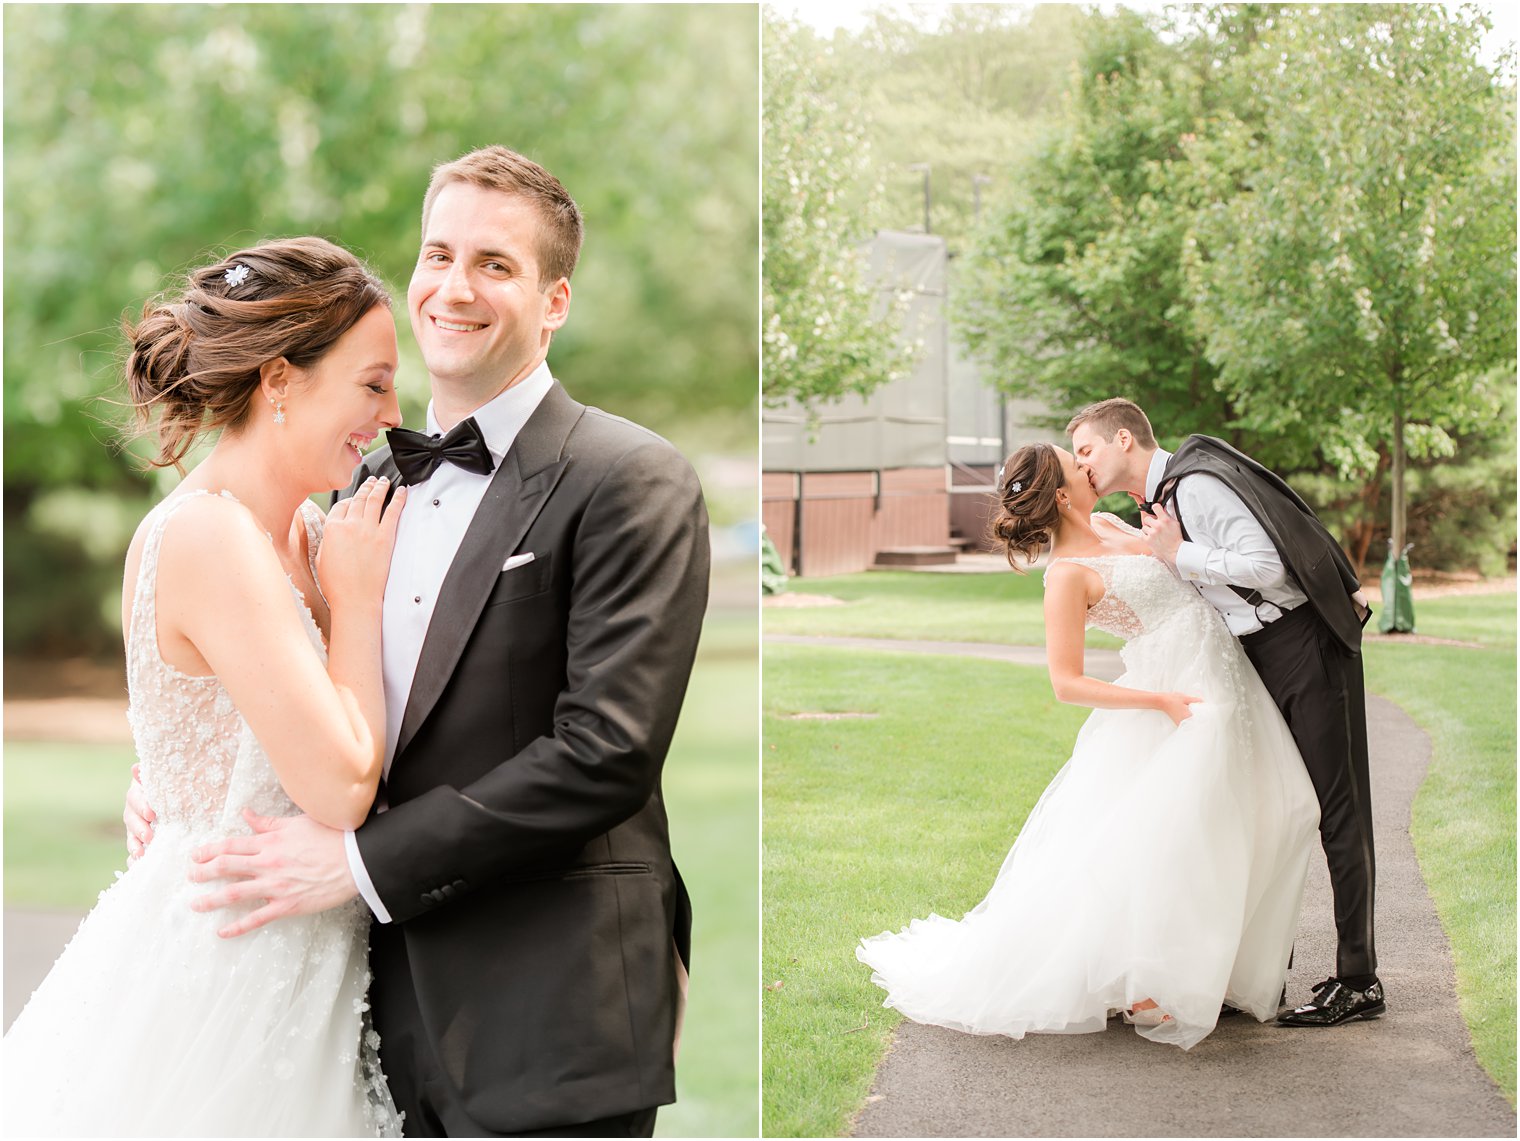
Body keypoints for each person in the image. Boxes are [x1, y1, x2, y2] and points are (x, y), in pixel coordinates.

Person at [128, 147, 709, 1137]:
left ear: (554, 299)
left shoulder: (629, 479)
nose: (455, 287)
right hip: (354, 1016)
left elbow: (604, 753)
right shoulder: (353, 496)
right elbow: (270, 683)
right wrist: (185, 787)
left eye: (495, 263)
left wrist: (356, 864)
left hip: (544, 1012)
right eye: (439, 254)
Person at [3, 237, 408, 1135]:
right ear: (281, 380)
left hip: (311, 979)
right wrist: (360, 599)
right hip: (225, 982)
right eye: (372, 382)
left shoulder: (308, 528)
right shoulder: (208, 536)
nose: (390, 413)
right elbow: (342, 785)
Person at [857, 442, 1321, 1050]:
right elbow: (1066, 683)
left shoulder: (1110, 523)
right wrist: (1161, 703)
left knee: (1274, 814)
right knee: (1179, 842)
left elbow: (1180, 573)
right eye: (1076, 466)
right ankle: (1151, 981)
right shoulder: (1066, 575)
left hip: (1223, 680)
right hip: (1173, 703)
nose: (1089, 468)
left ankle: (1220, 968)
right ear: (1058, 494)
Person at [1067, 397, 1383, 1027]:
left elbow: (1267, 567)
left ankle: (1358, 979)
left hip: (1303, 645)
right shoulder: (1157, 507)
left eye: (1086, 450)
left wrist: (1178, 553)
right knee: (1267, 805)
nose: (1082, 465)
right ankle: (1253, 972)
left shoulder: (1198, 485)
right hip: (1252, 655)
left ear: (1123, 439)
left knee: (1335, 807)